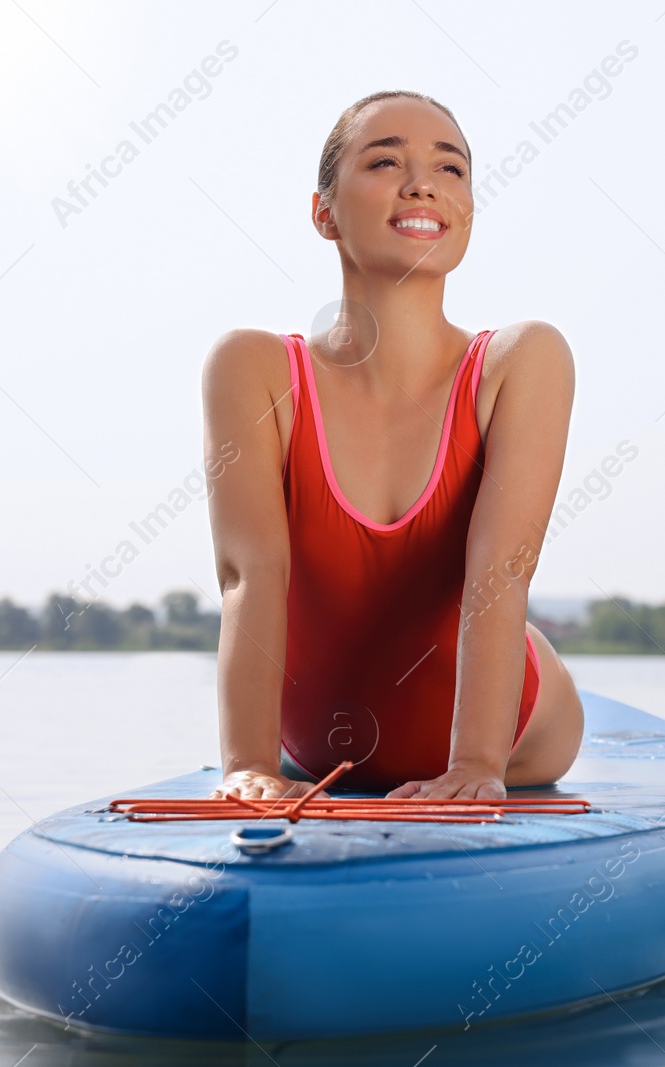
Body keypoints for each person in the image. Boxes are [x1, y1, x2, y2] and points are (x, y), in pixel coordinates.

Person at [201, 91, 583, 801]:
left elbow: (501, 570)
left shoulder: (521, 360)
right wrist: (247, 765)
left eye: (451, 168)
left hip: (511, 731)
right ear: (324, 212)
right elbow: (247, 576)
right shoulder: (251, 369)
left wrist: (475, 767)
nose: (423, 183)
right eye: (385, 160)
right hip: (313, 742)